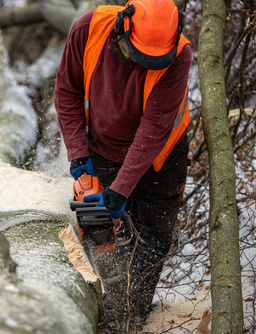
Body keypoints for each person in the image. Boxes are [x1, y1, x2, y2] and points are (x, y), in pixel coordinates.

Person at [54, 0, 192, 332]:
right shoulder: (87, 30)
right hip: (102, 147)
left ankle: (130, 318)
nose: (145, 67)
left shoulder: (180, 55)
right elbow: (67, 91)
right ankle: (98, 305)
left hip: (161, 156)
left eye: (153, 62)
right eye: (139, 58)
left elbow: (154, 128)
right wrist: (78, 155)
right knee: (99, 234)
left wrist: (119, 194)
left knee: (153, 237)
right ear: (123, 27)